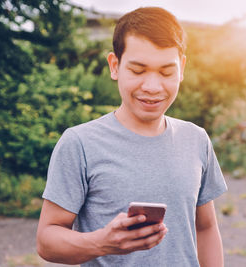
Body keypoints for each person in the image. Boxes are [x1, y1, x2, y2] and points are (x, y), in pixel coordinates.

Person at [36, 6, 227, 267]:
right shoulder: (79, 143)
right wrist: (101, 242)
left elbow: (205, 227)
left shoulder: (196, 139)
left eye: (166, 72)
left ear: (181, 68)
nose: (152, 87)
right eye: (138, 71)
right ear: (115, 66)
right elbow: (47, 240)